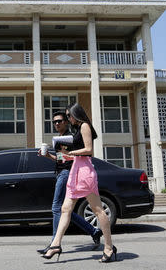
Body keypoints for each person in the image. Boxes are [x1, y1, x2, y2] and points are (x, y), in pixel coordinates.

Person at [42, 104, 117, 263]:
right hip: (75, 170)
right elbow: (72, 156)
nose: (68, 119)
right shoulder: (76, 130)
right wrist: (58, 155)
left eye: (69, 116)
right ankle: (56, 244)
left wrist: (70, 152)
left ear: (76, 114)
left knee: (98, 211)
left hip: (84, 172)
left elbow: (89, 150)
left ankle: (109, 247)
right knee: (65, 209)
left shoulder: (84, 126)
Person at [37, 111, 102, 255]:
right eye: (54, 122)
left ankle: (54, 244)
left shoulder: (71, 137)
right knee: (65, 210)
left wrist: (68, 156)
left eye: (59, 121)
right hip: (61, 172)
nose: (57, 124)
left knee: (56, 207)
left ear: (66, 121)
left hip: (67, 173)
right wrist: (48, 155)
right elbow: (61, 159)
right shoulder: (59, 139)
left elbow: (77, 156)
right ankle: (94, 231)